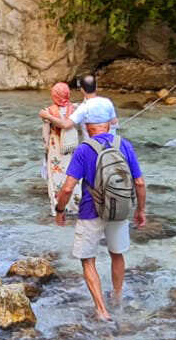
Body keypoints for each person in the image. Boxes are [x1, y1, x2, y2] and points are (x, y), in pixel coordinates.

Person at [53, 98, 147, 322]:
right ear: (108, 123)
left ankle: (102, 310)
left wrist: (60, 209)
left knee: (87, 260)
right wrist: (140, 210)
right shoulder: (123, 144)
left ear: (86, 125)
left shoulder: (84, 150)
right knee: (117, 254)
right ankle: (117, 298)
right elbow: (140, 182)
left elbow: (67, 187)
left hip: (90, 211)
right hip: (119, 209)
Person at [39, 82, 78, 217]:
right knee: (74, 176)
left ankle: (58, 207)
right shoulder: (75, 108)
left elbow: (45, 135)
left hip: (56, 148)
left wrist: (46, 148)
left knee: (56, 178)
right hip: (72, 147)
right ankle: (75, 206)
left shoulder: (47, 111)